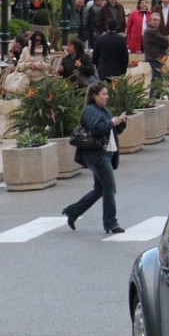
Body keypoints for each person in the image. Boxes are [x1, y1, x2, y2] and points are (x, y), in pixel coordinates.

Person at [62, 81, 127, 234]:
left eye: (107, 94)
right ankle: (111, 223)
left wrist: (120, 122)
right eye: (104, 94)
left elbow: (112, 130)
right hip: (95, 154)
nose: (107, 97)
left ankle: (72, 212)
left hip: (104, 153)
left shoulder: (103, 110)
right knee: (110, 188)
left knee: (99, 189)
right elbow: (97, 129)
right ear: (94, 95)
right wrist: (111, 122)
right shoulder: (90, 111)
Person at [143, 11, 169, 88]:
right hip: (154, 58)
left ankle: (156, 97)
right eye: (154, 20)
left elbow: (164, 42)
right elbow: (165, 41)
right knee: (156, 80)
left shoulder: (154, 30)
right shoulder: (151, 31)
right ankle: (154, 98)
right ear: (150, 20)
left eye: (158, 20)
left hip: (157, 58)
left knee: (158, 79)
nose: (157, 22)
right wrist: (165, 42)